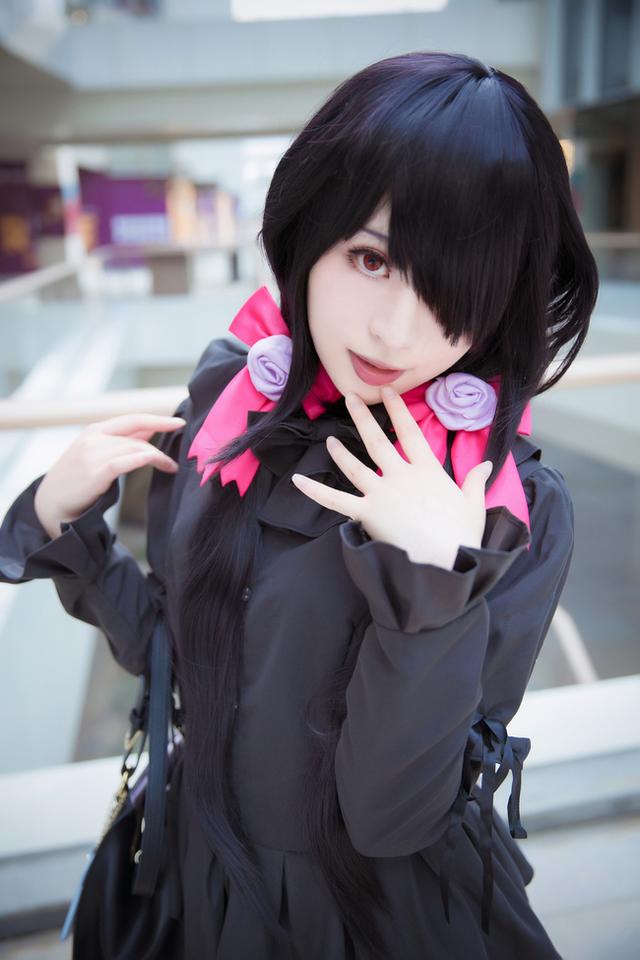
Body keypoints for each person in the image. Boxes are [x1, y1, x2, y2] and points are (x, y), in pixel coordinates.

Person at [0, 50, 597, 959]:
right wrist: (67, 530)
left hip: (372, 918)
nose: (395, 330)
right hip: (204, 876)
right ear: (308, 233)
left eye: (456, 290)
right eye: (371, 258)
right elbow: (185, 658)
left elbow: (393, 816)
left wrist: (431, 587)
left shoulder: (508, 509)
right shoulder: (232, 405)